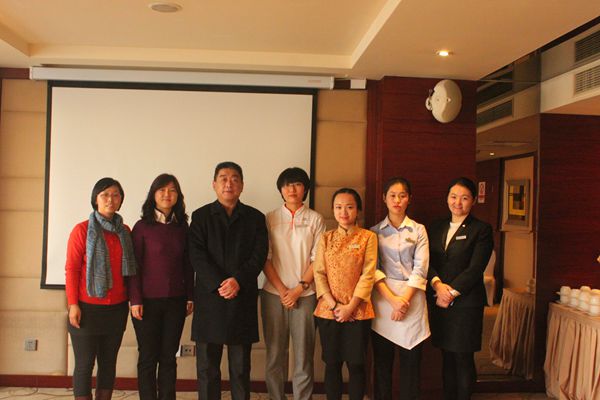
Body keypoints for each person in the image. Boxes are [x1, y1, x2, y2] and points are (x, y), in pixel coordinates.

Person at [188, 161, 268, 400]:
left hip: (241, 297)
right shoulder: (201, 216)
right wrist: (219, 284)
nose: (228, 183)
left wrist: (237, 281)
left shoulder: (255, 217)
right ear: (214, 184)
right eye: (223, 178)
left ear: (242, 185)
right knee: (207, 368)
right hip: (210, 298)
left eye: (234, 179)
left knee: (241, 368)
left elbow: (259, 255)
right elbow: (196, 255)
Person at [65, 177, 137, 400]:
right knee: (84, 364)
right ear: (95, 199)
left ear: (121, 200)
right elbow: (72, 269)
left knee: (108, 364)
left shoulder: (125, 231)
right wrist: (73, 304)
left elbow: (131, 271)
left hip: (116, 308)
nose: (110, 199)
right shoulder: (82, 230)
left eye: (115, 195)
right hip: (86, 308)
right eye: (105, 195)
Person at [261, 167, 326, 400]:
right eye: (287, 185)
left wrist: (298, 290)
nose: (292, 189)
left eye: (297, 184)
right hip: (273, 294)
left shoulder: (316, 219)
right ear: (280, 189)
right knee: (275, 354)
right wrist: (282, 291)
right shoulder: (269, 218)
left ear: (305, 189)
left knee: (303, 355)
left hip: (305, 295)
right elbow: (264, 258)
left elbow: (317, 260)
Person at [427, 177, 493, 400]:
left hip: (466, 304)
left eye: (464, 198)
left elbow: (476, 268)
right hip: (439, 299)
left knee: (463, 357)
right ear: (447, 198)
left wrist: (450, 293)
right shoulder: (436, 227)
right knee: (446, 355)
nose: (458, 202)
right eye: (453, 197)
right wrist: (437, 285)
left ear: (473, 200)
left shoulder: (481, 229)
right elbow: (426, 261)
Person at [128, 174, 194, 400]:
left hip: (176, 301)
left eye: (172, 190)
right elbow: (133, 266)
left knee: (168, 357)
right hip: (146, 303)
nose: (167, 194)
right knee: (148, 357)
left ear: (178, 196)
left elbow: (188, 264)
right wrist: (135, 299)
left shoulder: (182, 227)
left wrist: (190, 296)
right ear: (153, 195)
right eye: (162, 190)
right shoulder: (141, 227)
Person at [313, 188, 377, 400]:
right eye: (338, 207)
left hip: (358, 311)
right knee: (332, 364)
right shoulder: (326, 238)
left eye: (349, 207)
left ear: (358, 210)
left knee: (356, 364)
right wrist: (334, 305)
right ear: (333, 210)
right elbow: (319, 273)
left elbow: (368, 274)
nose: (344, 212)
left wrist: (350, 307)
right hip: (328, 311)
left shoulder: (368, 237)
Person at [370, 177, 430, 400]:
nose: (397, 200)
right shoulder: (374, 232)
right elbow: (373, 270)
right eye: (392, 195)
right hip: (383, 299)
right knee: (382, 363)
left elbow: (421, 268)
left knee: (411, 364)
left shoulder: (419, 230)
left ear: (409, 199)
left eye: (402, 196)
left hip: (412, 298)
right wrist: (393, 301)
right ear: (384, 198)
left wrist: (403, 301)